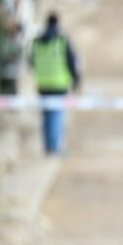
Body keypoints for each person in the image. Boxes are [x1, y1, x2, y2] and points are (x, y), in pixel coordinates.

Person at [29, 12, 81, 155]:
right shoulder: (62, 41)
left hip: (42, 84)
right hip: (59, 84)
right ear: (57, 24)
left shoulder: (37, 41)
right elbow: (71, 62)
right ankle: (54, 148)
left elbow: (31, 62)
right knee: (56, 116)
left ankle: (48, 146)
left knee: (46, 116)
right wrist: (76, 79)